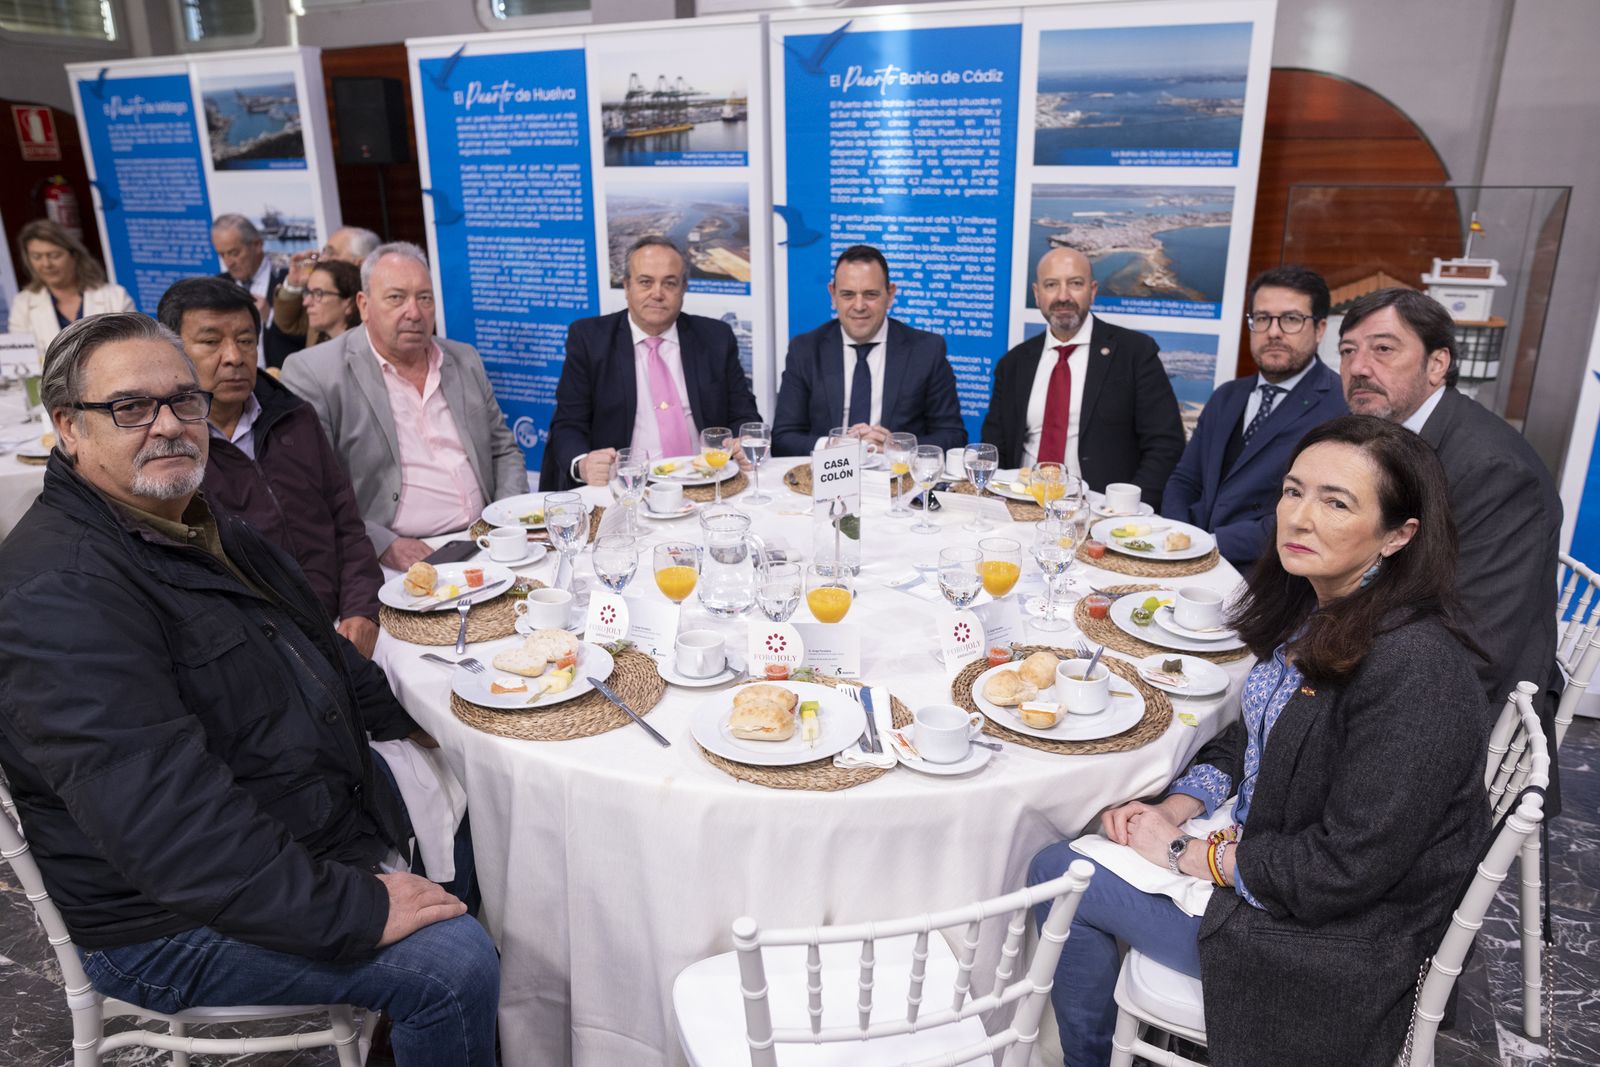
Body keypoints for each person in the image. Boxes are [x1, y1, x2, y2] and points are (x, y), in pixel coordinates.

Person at [0, 313, 499, 1064]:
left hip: (286, 823)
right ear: (69, 427)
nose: (169, 425)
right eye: (131, 407)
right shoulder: (58, 592)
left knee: (484, 815)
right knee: (451, 964)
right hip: (160, 919)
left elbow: (323, 653)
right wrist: (353, 907)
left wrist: (425, 726)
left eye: (183, 400)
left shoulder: (195, 524)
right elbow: (168, 826)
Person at [1029, 414, 1489, 1066]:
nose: (1299, 517)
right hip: (1273, 856)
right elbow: (1256, 731)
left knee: (1057, 873)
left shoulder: (1416, 669)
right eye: (1293, 491)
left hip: (1328, 945)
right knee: (1108, 824)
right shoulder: (1328, 610)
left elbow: (1342, 872)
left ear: (1399, 534)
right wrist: (1177, 805)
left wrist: (1187, 853)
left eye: (1336, 502)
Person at [1339, 285, 1563, 796]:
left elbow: (1477, 642)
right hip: (1393, 648)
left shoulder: (1495, 470)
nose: (1358, 367)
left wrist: (1331, 665)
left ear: (1438, 364)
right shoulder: (1383, 437)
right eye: (1348, 351)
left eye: (1383, 348)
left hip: (1464, 707)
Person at [156, 276, 382, 657]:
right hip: (257, 650)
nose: (234, 357)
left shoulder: (293, 416)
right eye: (211, 342)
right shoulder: (167, 447)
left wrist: (362, 610)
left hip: (340, 623)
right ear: (172, 352)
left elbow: (347, 523)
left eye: (246, 340)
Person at [281, 242, 527, 571]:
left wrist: (506, 519)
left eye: (424, 298)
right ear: (364, 305)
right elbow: (309, 487)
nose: (414, 312)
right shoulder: (316, 373)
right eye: (396, 298)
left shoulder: (463, 359)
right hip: (391, 556)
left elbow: (502, 449)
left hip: (485, 539)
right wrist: (382, 543)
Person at [540, 236, 761, 490]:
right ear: (626, 286)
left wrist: (743, 441)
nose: (657, 294)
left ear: (683, 288)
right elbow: (568, 423)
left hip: (707, 482)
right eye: (646, 282)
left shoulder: (715, 338)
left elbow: (743, 412)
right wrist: (583, 464)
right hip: (626, 487)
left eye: (669, 283)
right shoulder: (590, 340)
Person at [1161, 265, 1347, 564]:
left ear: (1320, 329)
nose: (1273, 332)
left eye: (1291, 319)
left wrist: (1210, 545)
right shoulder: (1227, 395)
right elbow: (1185, 479)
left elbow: (1316, 514)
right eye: (1262, 318)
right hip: (1188, 559)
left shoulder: (1340, 406)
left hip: (1267, 574)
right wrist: (1179, 536)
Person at [981, 246, 1184, 508]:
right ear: (1037, 294)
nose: (1063, 296)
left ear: (1093, 291)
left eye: (1075, 284)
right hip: (1023, 506)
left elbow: (1165, 445)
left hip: (1100, 511)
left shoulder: (1135, 353)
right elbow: (994, 444)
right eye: (1051, 285)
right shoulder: (1014, 363)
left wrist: (1127, 510)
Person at [771, 244, 966, 456]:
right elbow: (782, 438)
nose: (859, 306)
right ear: (833, 295)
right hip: (828, 472)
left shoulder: (926, 350)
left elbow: (953, 436)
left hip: (896, 472)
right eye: (847, 295)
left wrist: (898, 447)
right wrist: (833, 446)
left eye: (871, 294)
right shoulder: (805, 350)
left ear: (890, 294)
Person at [7, 218, 134, 345]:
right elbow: (22, 354)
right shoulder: (22, 304)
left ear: (74, 255)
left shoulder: (116, 297)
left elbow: (134, 346)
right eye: (37, 257)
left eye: (54, 255)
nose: (46, 264)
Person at [211, 213, 295, 368]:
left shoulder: (289, 280)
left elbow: (305, 339)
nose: (228, 263)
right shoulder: (218, 286)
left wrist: (271, 317)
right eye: (222, 255)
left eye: (234, 253)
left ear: (257, 245)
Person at [272, 225, 382, 341]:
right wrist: (295, 283)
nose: (321, 259)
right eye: (324, 252)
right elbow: (288, 323)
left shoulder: (377, 307)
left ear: (360, 264)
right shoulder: (323, 299)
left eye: (331, 253)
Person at [298, 259, 363, 348]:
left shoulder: (362, 350)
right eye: (307, 292)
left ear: (349, 304)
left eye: (318, 293)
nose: (306, 302)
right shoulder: (320, 341)